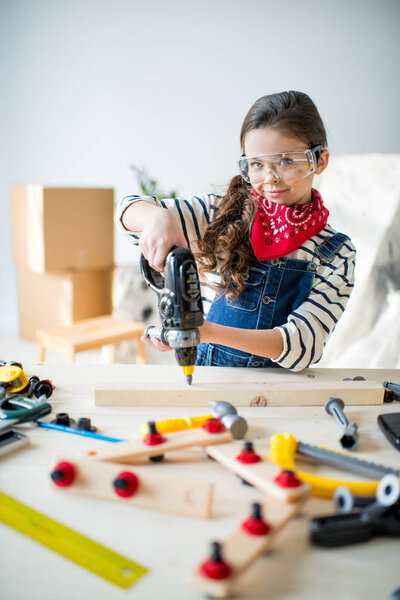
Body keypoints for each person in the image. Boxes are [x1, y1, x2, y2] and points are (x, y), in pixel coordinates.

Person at [115, 91, 356, 372]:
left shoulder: (337, 252)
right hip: (210, 378)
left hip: (280, 393)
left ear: (319, 161)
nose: (270, 178)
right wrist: (158, 217)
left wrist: (206, 332)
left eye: (286, 161)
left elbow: (303, 346)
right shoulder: (220, 213)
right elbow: (127, 212)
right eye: (256, 164)